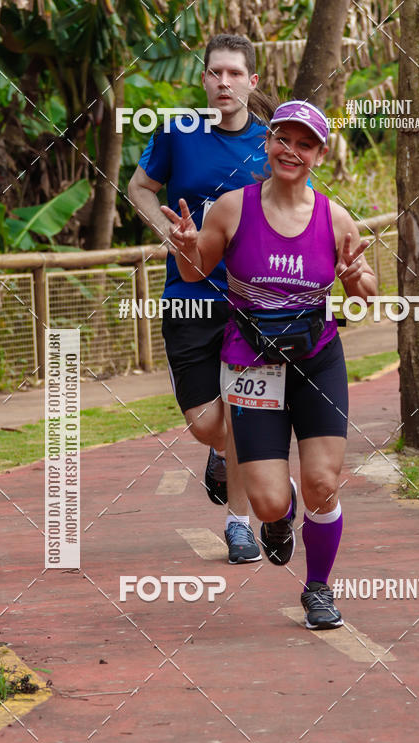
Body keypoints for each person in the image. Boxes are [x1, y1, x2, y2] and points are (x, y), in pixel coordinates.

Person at [164, 100, 377, 629]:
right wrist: (187, 246)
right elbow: (195, 274)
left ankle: (319, 587)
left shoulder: (335, 216)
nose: (292, 150)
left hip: (316, 358)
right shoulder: (233, 208)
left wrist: (354, 279)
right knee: (266, 501)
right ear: (269, 143)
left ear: (319, 155)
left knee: (323, 482)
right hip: (250, 360)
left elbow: (369, 290)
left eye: (305, 144)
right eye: (284, 139)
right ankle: (278, 521)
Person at [128, 34, 271, 563]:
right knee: (206, 424)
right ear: (204, 79)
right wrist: (170, 238)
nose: (224, 82)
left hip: (247, 301)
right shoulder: (177, 133)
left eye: (235, 73)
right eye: (215, 73)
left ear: (251, 82)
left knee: (239, 408)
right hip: (188, 294)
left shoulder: (271, 142)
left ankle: (240, 523)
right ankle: (218, 453)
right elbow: (139, 187)